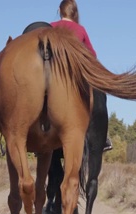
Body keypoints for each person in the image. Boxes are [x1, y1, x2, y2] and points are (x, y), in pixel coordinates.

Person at [50, 0, 113, 152]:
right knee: (98, 100)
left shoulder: (50, 26)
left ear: (60, 10)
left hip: (52, 75)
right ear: (75, 13)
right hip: (74, 77)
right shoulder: (80, 29)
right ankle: (101, 138)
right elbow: (92, 55)